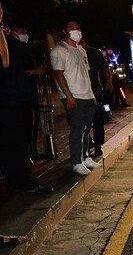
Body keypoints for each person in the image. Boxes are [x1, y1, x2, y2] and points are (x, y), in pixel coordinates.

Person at [0, 17, 51, 193]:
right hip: (11, 101)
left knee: (19, 141)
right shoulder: (10, 43)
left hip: (17, 99)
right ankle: (21, 180)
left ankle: (16, 178)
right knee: (18, 141)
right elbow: (7, 62)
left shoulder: (8, 42)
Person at [51, 19, 99, 175]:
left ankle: (84, 157)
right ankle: (76, 162)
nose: (75, 30)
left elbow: (86, 74)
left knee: (86, 128)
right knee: (77, 129)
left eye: (77, 27)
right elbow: (58, 75)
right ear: (64, 31)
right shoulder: (59, 50)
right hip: (74, 96)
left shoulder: (81, 50)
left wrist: (92, 95)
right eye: (71, 28)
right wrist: (68, 96)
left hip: (87, 96)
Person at [81, 39, 112, 157]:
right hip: (79, 94)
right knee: (82, 122)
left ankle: (98, 145)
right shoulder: (72, 52)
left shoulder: (94, 53)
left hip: (95, 92)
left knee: (97, 120)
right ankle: (87, 145)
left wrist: (109, 81)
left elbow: (105, 68)